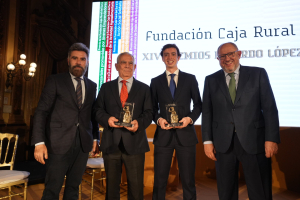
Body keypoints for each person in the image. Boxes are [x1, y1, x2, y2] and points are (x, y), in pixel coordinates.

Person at [202, 42, 280, 200]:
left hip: (254, 140)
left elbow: (270, 108)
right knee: (226, 190)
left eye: (230, 54)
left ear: (239, 54)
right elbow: (207, 112)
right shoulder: (211, 80)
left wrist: (271, 138)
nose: (227, 59)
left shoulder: (257, 74)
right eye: (222, 56)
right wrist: (207, 141)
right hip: (223, 142)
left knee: (259, 189)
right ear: (218, 59)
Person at [31, 43, 99, 200]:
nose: (78, 62)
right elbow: (41, 112)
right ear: (68, 60)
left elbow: (92, 114)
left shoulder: (92, 86)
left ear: (87, 62)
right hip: (58, 144)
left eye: (82, 59)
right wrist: (39, 142)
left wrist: (95, 137)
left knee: (73, 188)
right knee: (52, 189)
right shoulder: (55, 80)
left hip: (83, 144)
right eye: (75, 58)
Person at [93, 52, 152, 200]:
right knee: (112, 188)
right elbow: (97, 110)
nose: (127, 66)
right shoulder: (106, 87)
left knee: (136, 187)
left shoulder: (144, 88)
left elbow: (150, 112)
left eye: (130, 63)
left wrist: (139, 123)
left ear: (135, 66)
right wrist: (107, 119)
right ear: (116, 66)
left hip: (135, 143)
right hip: (111, 142)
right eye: (124, 63)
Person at [150, 44, 202, 200]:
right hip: (163, 136)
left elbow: (199, 105)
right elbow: (152, 108)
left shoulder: (190, 79)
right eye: (166, 54)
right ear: (162, 58)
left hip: (186, 135)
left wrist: (190, 119)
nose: (170, 57)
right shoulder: (156, 81)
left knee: (188, 180)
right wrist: (159, 120)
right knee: (159, 180)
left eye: (173, 54)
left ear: (178, 57)